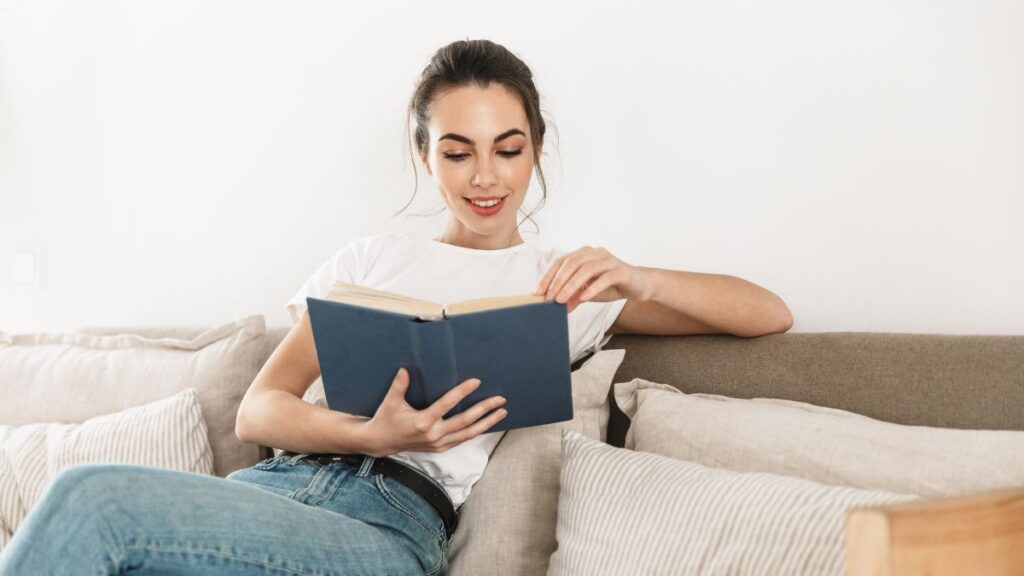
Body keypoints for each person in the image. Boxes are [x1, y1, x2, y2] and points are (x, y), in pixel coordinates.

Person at [0, 39, 793, 575]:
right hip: (276, 492)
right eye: (457, 152)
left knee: (89, 497)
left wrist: (636, 277)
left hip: (388, 522)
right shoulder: (369, 260)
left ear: (536, 150)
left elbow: (767, 313)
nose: (485, 177)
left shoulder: (564, 284)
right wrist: (369, 431)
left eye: (507, 149)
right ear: (425, 155)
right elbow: (259, 411)